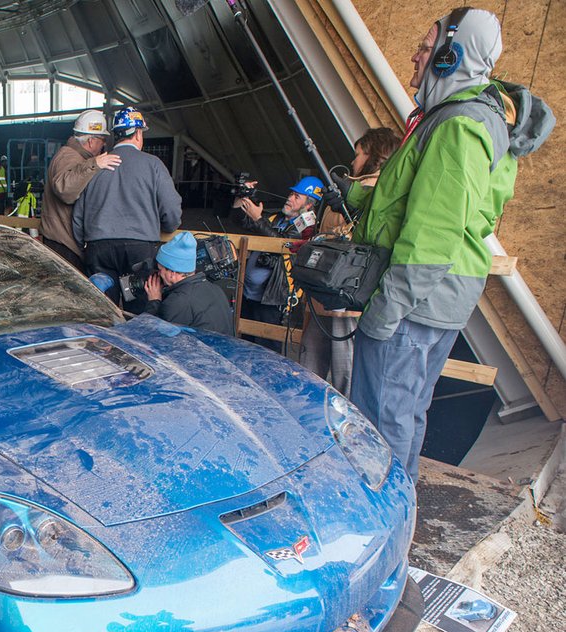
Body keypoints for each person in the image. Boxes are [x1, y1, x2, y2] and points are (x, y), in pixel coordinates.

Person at [348, 8, 553, 482]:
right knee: (404, 414)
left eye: (426, 46)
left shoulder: (459, 124)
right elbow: (443, 203)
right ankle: (397, 509)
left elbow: (433, 233)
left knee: (381, 422)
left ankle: (381, 521)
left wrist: (387, 308)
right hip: (438, 297)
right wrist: (362, 194)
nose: (416, 56)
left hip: (415, 301)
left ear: (449, 56)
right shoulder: (473, 118)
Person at [299, 128, 398, 394]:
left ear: (375, 156)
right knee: (312, 355)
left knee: (344, 364)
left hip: (347, 290)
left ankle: (348, 420)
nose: (353, 161)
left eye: (358, 155)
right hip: (326, 287)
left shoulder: (378, 193)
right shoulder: (355, 189)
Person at [72, 107, 181, 310]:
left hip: (98, 248)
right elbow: (171, 212)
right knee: (139, 310)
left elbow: (78, 215)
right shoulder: (153, 165)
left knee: (103, 310)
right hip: (138, 249)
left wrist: (83, 245)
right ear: (138, 133)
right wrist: (168, 226)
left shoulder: (97, 165)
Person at [236, 176, 322, 348]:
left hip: (272, 299)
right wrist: (245, 196)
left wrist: (258, 219)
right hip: (248, 293)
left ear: (309, 205)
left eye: (297, 196)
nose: (290, 198)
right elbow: (242, 221)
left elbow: (284, 242)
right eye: (291, 193)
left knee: (267, 350)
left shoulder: (307, 227)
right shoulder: (277, 218)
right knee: (242, 345)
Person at [40, 109, 122, 272]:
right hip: (64, 245)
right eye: (102, 140)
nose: (104, 145)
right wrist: (95, 164)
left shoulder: (73, 156)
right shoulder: (69, 156)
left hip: (63, 242)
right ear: (91, 141)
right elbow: (65, 189)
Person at [143, 232, 233, 335]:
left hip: (201, 351)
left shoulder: (178, 301)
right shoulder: (215, 289)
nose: (158, 274)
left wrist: (154, 302)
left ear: (172, 273)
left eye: (160, 269)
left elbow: (153, 338)